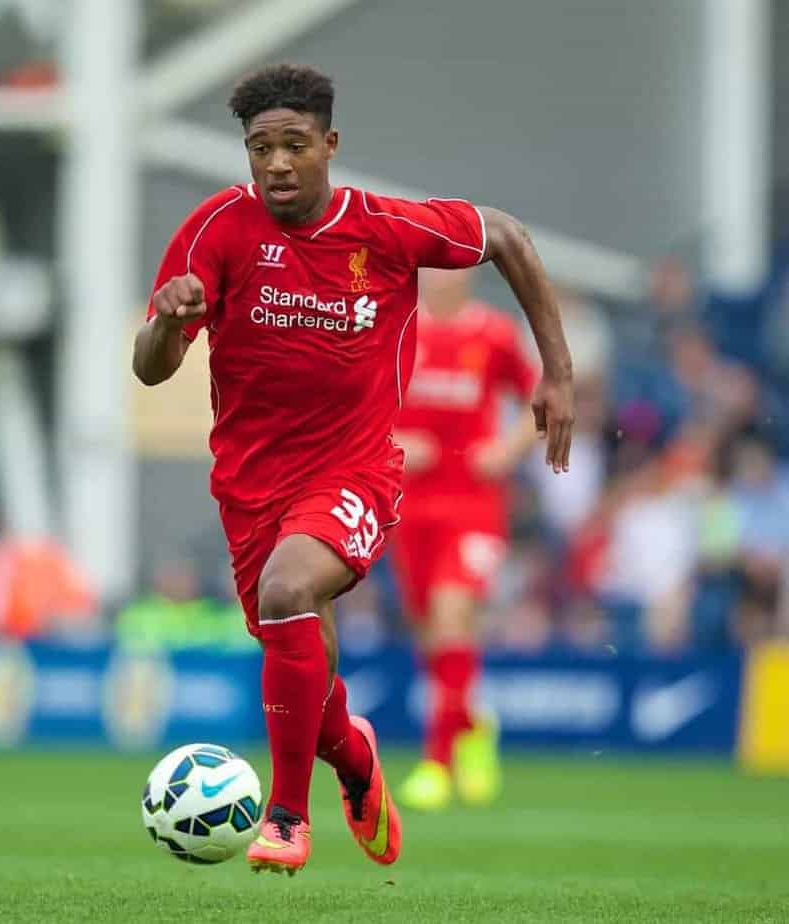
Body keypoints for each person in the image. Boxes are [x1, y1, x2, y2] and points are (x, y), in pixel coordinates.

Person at [132, 64, 574, 875]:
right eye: (259, 148)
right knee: (302, 656)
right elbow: (151, 369)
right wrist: (168, 319)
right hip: (248, 486)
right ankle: (356, 759)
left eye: (293, 145)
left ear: (329, 145)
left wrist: (556, 371)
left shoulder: (385, 227)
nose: (275, 164)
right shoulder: (215, 230)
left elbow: (507, 235)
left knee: (290, 590)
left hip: (356, 471)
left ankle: (287, 816)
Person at [389, 267, 542, 811]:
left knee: (452, 613)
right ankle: (473, 726)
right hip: (408, 504)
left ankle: (437, 764)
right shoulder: (397, 330)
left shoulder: (494, 335)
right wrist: (397, 439)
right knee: (431, 632)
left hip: (474, 503)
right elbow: (359, 408)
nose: (436, 276)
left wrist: (508, 448)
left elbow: (541, 400)